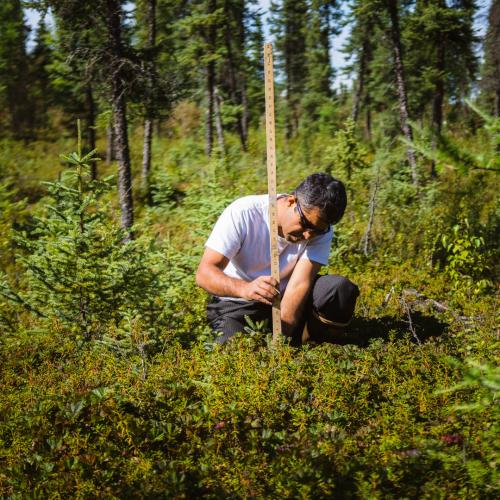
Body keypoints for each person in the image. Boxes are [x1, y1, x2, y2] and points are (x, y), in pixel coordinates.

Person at [195, 172, 359, 344]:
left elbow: (299, 284)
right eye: (305, 224)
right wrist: (245, 289)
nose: (308, 235)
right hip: (238, 304)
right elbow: (204, 273)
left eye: (317, 231)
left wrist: (281, 342)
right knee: (232, 352)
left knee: (338, 289)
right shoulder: (244, 213)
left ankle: (312, 346)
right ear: (291, 201)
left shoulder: (321, 229)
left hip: (287, 298)